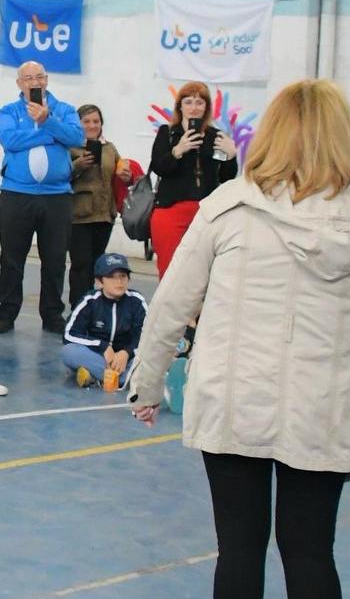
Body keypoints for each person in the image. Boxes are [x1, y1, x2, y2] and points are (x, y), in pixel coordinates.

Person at [128, 79, 350, 599]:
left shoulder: (225, 206)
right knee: (312, 552)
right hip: (321, 405)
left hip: (235, 397)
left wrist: (148, 381)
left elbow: (173, 303)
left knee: (238, 549)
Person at [0, 61, 86, 334]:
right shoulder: (8, 111)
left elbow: (76, 137)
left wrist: (47, 121)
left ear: (46, 80)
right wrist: (50, 135)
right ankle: (7, 312)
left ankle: (52, 314)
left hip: (56, 197)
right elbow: (9, 140)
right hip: (16, 194)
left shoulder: (64, 110)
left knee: (56, 258)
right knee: (11, 257)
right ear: (19, 83)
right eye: (28, 78)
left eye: (39, 77)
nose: (34, 82)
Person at [149, 81, 239, 277]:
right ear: (180, 106)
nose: (193, 108)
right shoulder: (168, 133)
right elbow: (159, 167)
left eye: (199, 103)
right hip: (170, 209)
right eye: (188, 102)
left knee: (202, 273)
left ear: (206, 107)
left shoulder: (216, 136)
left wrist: (231, 156)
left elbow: (226, 177)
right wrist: (178, 151)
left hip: (206, 212)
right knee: (170, 271)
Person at [67, 105, 131, 312]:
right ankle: (78, 307)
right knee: (80, 265)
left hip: (104, 215)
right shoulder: (70, 148)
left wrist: (126, 176)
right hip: (79, 215)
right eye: (86, 121)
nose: (92, 125)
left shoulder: (110, 148)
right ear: (77, 124)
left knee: (96, 265)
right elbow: (60, 177)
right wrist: (78, 165)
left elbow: (119, 174)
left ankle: (94, 307)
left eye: (96, 121)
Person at [60, 254, 146, 389]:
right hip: (99, 357)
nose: (119, 282)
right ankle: (124, 379)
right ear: (99, 281)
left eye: (123, 276)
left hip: (127, 359)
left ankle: (98, 377)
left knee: (153, 354)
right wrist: (102, 346)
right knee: (68, 352)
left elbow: (145, 334)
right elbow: (69, 334)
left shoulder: (136, 301)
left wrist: (126, 352)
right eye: (112, 277)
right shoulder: (90, 301)